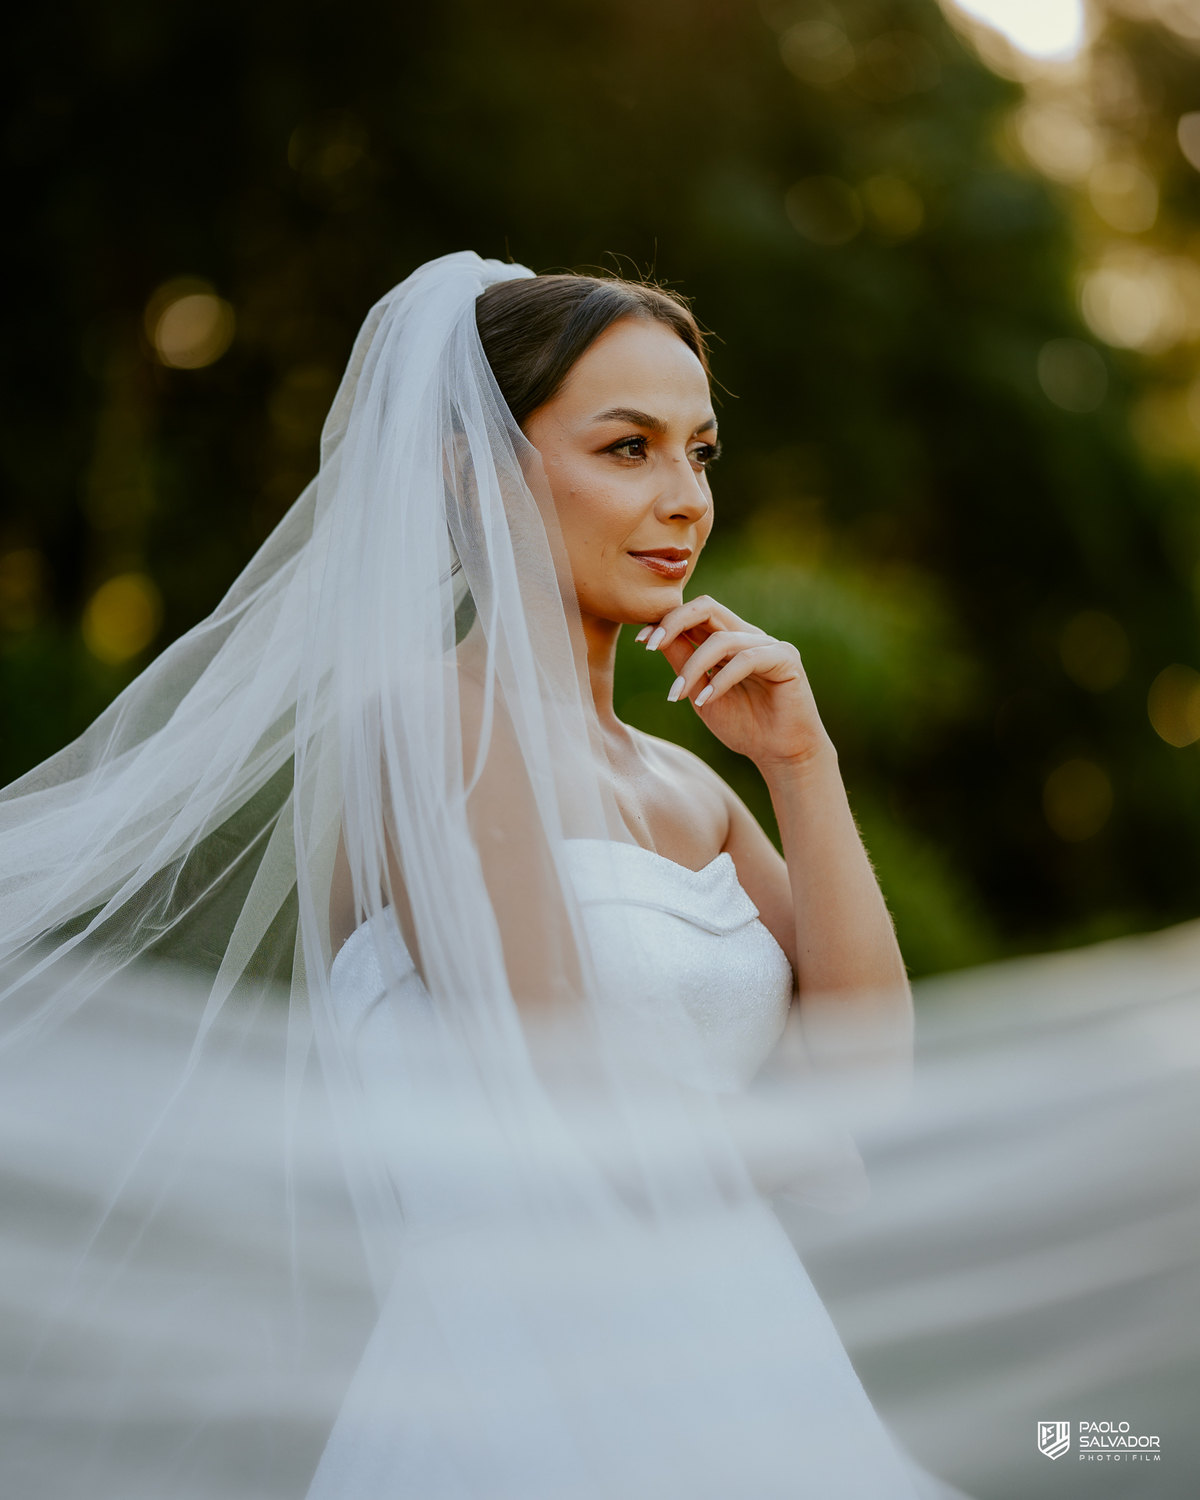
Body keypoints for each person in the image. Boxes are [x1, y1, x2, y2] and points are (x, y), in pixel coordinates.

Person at [11, 253, 1195, 1499]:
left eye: (702, 452)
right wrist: (792, 1153)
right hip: (531, 1385)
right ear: (477, 470)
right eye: (628, 449)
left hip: (744, 1354)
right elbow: (565, 1099)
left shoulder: (693, 789)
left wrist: (801, 760)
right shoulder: (435, 729)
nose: (685, 497)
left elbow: (865, 1077)